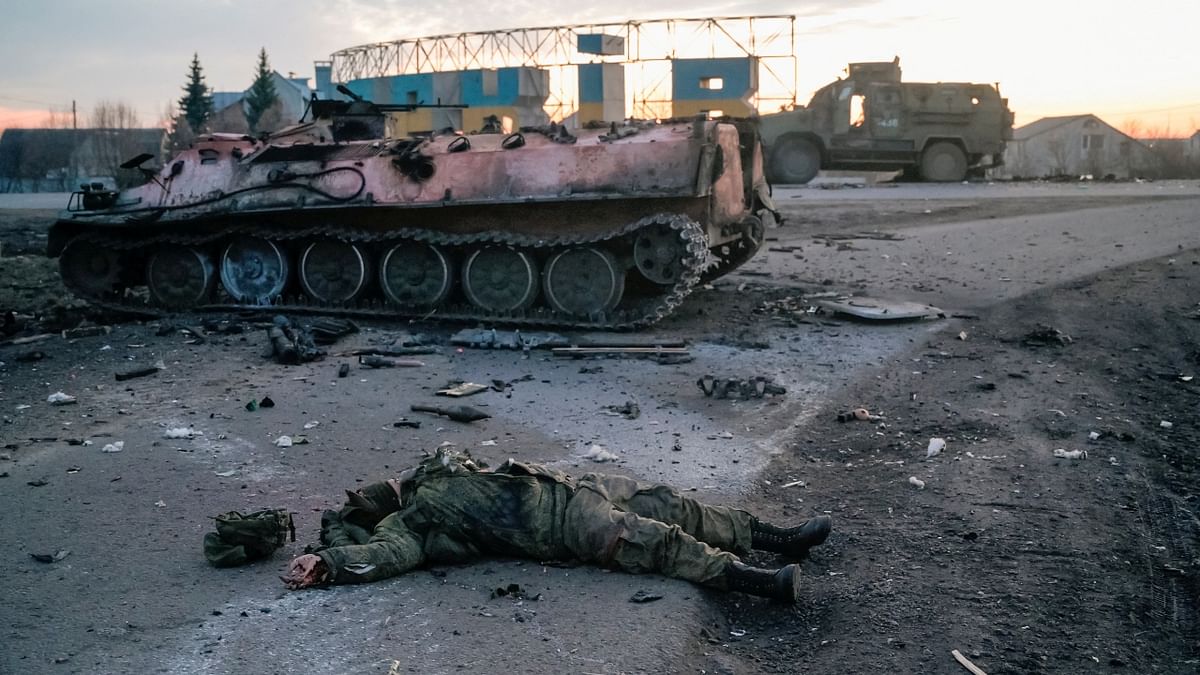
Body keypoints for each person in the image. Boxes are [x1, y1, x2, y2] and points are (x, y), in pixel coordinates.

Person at [283, 449, 832, 602]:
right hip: (565, 529)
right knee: (660, 544)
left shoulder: (442, 469)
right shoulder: (416, 520)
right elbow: (387, 555)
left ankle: (782, 538)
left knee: (675, 505)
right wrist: (329, 563)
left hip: (574, 486)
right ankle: (761, 583)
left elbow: (452, 455)